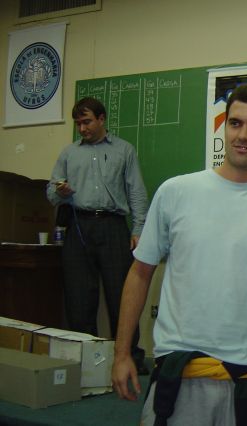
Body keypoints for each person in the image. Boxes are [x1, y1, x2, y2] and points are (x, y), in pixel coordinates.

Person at [111, 83, 247, 426]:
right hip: (180, 373)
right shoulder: (176, 192)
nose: (243, 135)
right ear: (224, 126)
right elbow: (140, 273)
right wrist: (122, 353)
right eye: (235, 123)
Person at [47, 96, 149, 373]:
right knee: (79, 298)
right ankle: (86, 362)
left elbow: (136, 192)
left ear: (102, 119)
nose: (82, 128)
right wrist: (60, 191)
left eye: (87, 122)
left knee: (122, 297)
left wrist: (139, 228)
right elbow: (50, 192)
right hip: (78, 227)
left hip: (113, 226)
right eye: (78, 123)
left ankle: (129, 358)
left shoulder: (124, 150)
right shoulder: (69, 153)